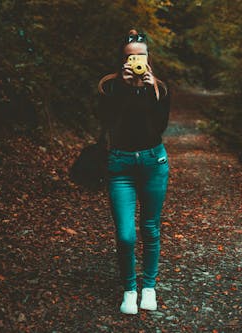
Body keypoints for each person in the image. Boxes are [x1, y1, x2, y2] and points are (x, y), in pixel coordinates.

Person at [97, 29, 170, 314]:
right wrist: (126, 89)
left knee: (150, 228)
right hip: (120, 165)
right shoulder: (109, 87)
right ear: (122, 59)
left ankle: (148, 287)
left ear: (148, 58)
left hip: (154, 162)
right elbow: (107, 121)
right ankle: (129, 289)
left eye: (141, 56)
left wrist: (150, 92)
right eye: (131, 57)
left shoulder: (159, 89)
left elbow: (159, 128)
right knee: (126, 234)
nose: (136, 61)